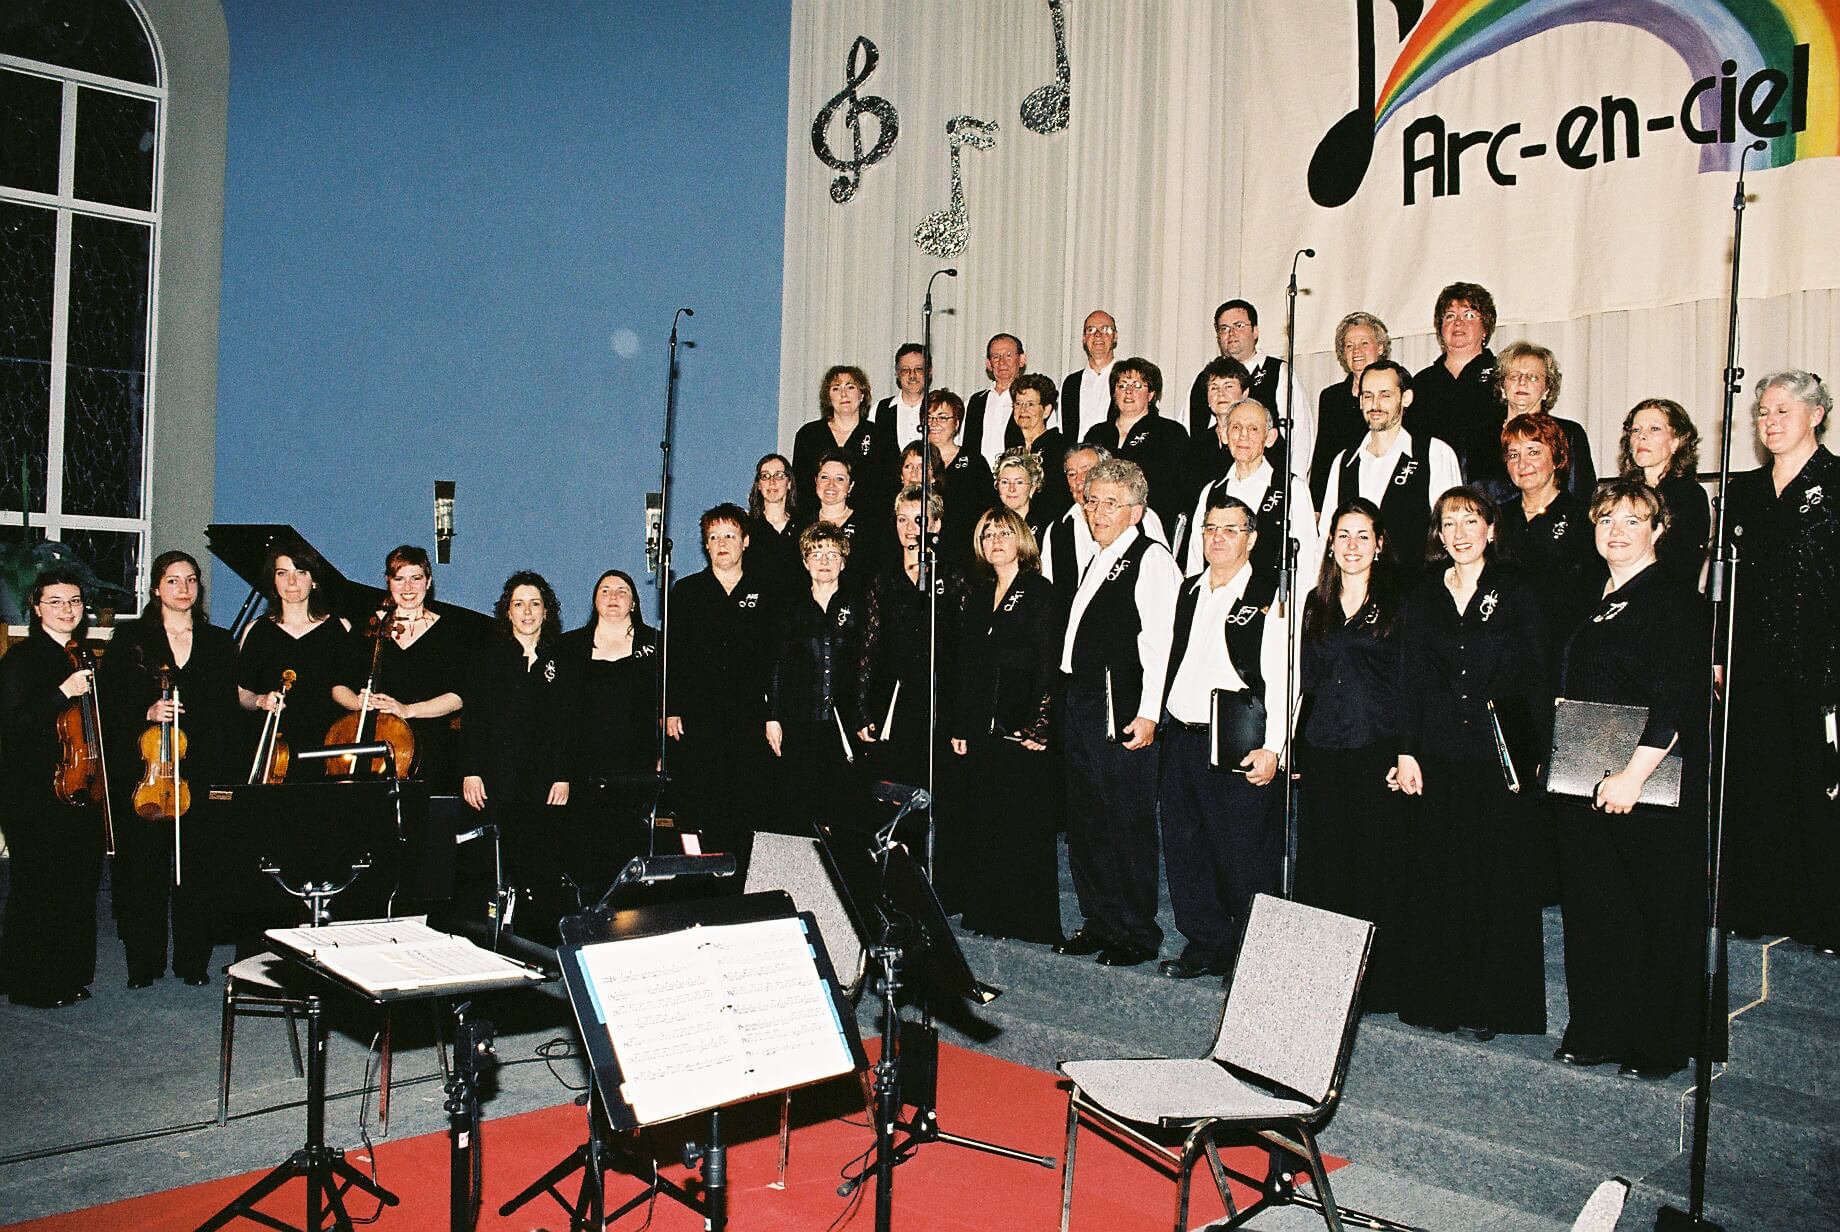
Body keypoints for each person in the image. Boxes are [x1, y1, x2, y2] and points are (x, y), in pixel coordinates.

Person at [1552, 478, 1709, 1079]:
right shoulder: (1592, 596)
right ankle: (1599, 1030)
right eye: (1606, 520)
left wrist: (1633, 777)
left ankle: (1656, 1043)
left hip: (1644, 785)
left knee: (1654, 915)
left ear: (1658, 530)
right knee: (1597, 914)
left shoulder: (1673, 600)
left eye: (1632, 520)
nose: (1616, 531)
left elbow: (1678, 701)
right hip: (1587, 781)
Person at [1392, 487, 1551, 1039]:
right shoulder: (1421, 595)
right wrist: (1406, 749)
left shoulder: (1517, 591)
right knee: (1438, 878)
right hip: (1437, 756)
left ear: (1491, 529)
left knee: (1494, 880)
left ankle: (1491, 1005)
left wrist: (1534, 756)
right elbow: (1409, 678)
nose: (1459, 533)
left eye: (1470, 521)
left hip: (1497, 756)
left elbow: (1538, 678)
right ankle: (1439, 997)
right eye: (1449, 523)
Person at [1722, 371, 1840, 950]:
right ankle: (1758, 904)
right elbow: (1725, 582)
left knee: (1818, 787)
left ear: (1816, 415)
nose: (1769, 422)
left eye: (1782, 411)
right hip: (1752, 662)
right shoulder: (1742, 490)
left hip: (1821, 662)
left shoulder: (1837, 483)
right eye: (1763, 412)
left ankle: (1826, 917)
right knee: (1756, 782)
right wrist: (1719, 651)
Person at [1156, 493, 1293, 979]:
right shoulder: (1190, 589)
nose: (1217, 538)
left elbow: (1284, 678)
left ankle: (1253, 957)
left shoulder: (1269, 596)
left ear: (1251, 539)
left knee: (1243, 853)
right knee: (1186, 848)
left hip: (1237, 738)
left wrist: (1275, 748)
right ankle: (1206, 942)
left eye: (1230, 529)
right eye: (1211, 528)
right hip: (1183, 736)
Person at [1053, 458, 1183, 968]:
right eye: (1093, 502)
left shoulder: (1151, 559)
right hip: (1083, 702)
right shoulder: (1098, 557)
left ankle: (1136, 932)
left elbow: (1160, 643)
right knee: (1087, 819)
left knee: (1126, 821)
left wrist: (1149, 713)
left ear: (1136, 511)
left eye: (1111, 503)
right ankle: (1099, 920)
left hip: (1121, 708)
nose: (1098, 512)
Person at [101, 551, 240, 989]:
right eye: (173, 580)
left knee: (198, 869)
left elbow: (227, 710)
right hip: (148, 769)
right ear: (156, 588)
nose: (183, 588)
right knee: (143, 868)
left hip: (201, 767)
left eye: (191, 579)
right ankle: (144, 963)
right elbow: (108, 701)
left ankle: (192, 961)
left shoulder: (219, 641)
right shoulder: (132, 639)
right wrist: (146, 711)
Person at [1296, 500, 1407, 1011]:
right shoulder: (1316, 602)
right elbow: (1309, 682)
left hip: (1375, 747)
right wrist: (1297, 747)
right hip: (1323, 747)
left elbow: (1411, 681)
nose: (1353, 545)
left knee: (1373, 865)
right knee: (1325, 862)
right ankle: (1325, 976)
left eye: (1363, 535)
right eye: (1343, 535)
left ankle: (1375, 982)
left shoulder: (1399, 600)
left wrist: (1406, 751)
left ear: (1380, 544)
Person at [949, 507, 1065, 944]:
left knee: (1023, 823)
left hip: (1022, 726)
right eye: (987, 534)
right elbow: (966, 665)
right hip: (981, 724)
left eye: (1003, 532)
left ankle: (1025, 921)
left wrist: (1040, 724)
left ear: (1021, 540)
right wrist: (961, 725)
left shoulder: (1038, 591)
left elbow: (1048, 661)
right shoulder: (978, 594)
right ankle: (987, 913)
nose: (995, 541)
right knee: (985, 821)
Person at [0, 570, 106, 1007]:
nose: (67, 610)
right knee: (39, 887)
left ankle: (69, 974)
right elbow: (14, 723)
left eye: (75, 601)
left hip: (80, 785)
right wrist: (63, 691)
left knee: (77, 885)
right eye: (56, 602)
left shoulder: (84, 656)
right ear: (37, 607)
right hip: (33, 791)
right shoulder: (21, 659)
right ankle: (31, 983)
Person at [665, 504, 779, 860]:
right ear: (706, 545)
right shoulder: (687, 592)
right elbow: (674, 655)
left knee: (747, 804)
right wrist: (672, 708)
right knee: (698, 804)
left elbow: (776, 657)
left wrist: (772, 714)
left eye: (730, 535)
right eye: (713, 537)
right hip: (700, 718)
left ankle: (741, 880)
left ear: (745, 541)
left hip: (749, 717)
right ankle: (700, 879)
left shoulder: (766, 590)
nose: (722, 544)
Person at [462, 571, 570, 911]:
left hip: (543, 782)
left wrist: (563, 776)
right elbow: (474, 720)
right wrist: (471, 771)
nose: (527, 612)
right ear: (507, 611)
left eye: (535, 604)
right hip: (495, 778)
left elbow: (568, 725)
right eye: (519, 604)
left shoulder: (563, 661)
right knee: (491, 865)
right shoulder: (485, 659)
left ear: (546, 612)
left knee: (539, 865)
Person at [330, 545, 466, 791]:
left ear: (428, 581)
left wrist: (407, 710)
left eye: (416, 578)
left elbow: (458, 697)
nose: (408, 588)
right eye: (399, 579)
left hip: (430, 747)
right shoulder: (368, 627)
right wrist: (358, 703)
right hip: (371, 743)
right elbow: (338, 685)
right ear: (388, 582)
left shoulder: (450, 632)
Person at [858, 487, 967, 789]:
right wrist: (862, 709)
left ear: (936, 524)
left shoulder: (953, 579)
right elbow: (869, 648)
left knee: (936, 788)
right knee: (894, 787)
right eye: (901, 519)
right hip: (894, 698)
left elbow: (964, 652)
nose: (909, 528)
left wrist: (962, 718)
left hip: (940, 700)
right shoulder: (883, 580)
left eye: (919, 520)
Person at [1316, 360, 1463, 576]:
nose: (1375, 404)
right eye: (1368, 395)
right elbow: (1326, 538)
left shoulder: (1435, 454)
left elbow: (1453, 530)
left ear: (1406, 398)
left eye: (1385, 395)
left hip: (1417, 588)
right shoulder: (1344, 462)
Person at [766, 523, 866, 834]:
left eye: (832, 554)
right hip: (801, 722)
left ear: (843, 562)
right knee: (799, 810)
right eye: (816, 553)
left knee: (845, 812)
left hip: (845, 725)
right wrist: (773, 718)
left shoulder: (859, 605)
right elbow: (777, 664)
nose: (824, 561)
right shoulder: (789, 607)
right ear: (805, 561)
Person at [235, 541, 351, 777]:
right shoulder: (256, 631)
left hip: (330, 746)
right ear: (273, 580)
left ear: (314, 580)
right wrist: (260, 700)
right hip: (273, 750)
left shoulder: (340, 629)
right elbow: (242, 694)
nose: (291, 582)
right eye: (282, 573)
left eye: (300, 572)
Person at [1179, 393, 1320, 583]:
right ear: (1224, 435)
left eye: (1253, 428)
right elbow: (1196, 559)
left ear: (1270, 437)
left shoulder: (1292, 489)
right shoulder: (1211, 492)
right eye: (1236, 427)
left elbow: (1309, 562)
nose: (1243, 435)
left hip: (1272, 599)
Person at [1186, 299, 1314, 482]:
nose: (1231, 333)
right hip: (1214, 483)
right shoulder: (1204, 379)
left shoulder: (1279, 372)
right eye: (1224, 328)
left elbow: (1300, 432)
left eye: (1238, 326)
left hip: (1268, 484)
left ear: (1255, 331)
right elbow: (1189, 433)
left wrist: (1293, 483)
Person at [1495, 412, 1598, 634]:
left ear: (1557, 458)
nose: (1522, 464)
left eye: (1533, 452)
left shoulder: (1583, 518)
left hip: (1562, 637)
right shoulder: (1498, 518)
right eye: (1513, 455)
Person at [1083, 356, 1190, 533]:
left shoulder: (1170, 432)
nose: (1128, 392)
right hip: (1101, 524)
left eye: (1137, 385)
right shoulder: (1096, 433)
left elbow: (1181, 490)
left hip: (1151, 524)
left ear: (1151, 394)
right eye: (1122, 386)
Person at [1041, 443, 1169, 590]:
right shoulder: (1056, 530)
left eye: (1087, 471)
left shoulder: (1142, 518)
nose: (1079, 480)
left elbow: (1160, 571)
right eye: (1072, 474)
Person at [1409, 281, 1500, 475]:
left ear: (1485, 328)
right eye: (1450, 316)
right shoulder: (1422, 383)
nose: (1458, 323)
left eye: (1469, 315)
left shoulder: (1504, 377)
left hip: (1492, 486)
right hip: (1435, 484)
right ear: (1440, 328)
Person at [1618, 398, 1709, 588]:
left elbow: (1680, 565)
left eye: (1654, 429)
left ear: (1676, 442)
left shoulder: (1689, 495)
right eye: (1636, 430)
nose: (1642, 437)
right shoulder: (1621, 494)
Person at [1489, 342, 1596, 500]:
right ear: (1502, 387)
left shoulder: (1569, 433)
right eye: (1514, 376)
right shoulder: (1481, 434)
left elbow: (1582, 496)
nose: (1522, 382)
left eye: (1533, 377)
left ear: (1547, 389)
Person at [792, 364, 898, 521]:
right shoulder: (809, 435)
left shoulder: (881, 436)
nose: (843, 394)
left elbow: (889, 488)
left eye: (850, 387)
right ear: (828, 397)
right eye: (836, 388)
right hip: (817, 523)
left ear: (862, 395)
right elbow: (800, 488)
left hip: (869, 524)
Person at [1311, 312, 1390, 508]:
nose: (1356, 351)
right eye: (1349, 345)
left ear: (1380, 347)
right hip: (1342, 489)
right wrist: (1316, 506)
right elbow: (1323, 455)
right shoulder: (1331, 397)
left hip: (1385, 486)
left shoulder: (1396, 390)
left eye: (1364, 343)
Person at [925, 389, 994, 569]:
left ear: (956, 423)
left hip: (965, 554)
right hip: (925, 552)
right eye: (929, 417)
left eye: (942, 417)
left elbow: (989, 509)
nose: (934, 423)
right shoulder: (915, 461)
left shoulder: (974, 461)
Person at [807, 450, 879, 584]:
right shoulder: (802, 525)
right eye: (824, 477)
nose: (831, 484)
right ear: (815, 481)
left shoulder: (868, 527)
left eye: (839, 479)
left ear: (850, 486)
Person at [1005, 373, 1068, 520]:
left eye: (1030, 404)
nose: (1023, 410)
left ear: (1046, 410)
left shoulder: (1060, 448)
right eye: (1018, 404)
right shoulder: (1011, 449)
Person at [963, 332, 1027, 467]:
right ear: (988, 364)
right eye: (996, 357)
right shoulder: (975, 402)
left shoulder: (1034, 400)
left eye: (1008, 355)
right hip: (979, 478)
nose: (1002, 362)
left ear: (1021, 360)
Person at [743, 452, 802, 597]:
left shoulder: (803, 526)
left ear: (789, 483)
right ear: (758, 485)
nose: (772, 482)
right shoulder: (746, 527)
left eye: (779, 475)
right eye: (765, 476)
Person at [1059, 310, 1117, 444]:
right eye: (1091, 330)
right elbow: (1064, 432)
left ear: (1115, 337)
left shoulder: (1126, 380)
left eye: (1105, 329)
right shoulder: (1071, 383)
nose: (1097, 334)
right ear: (1084, 338)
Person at [992, 446, 1053, 545]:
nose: (1011, 489)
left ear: (1033, 488)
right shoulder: (990, 526)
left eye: (1019, 482)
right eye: (1005, 482)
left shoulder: (1047, 527)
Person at [874, 343, 930, 447]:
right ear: (897, 373)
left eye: (919, 369)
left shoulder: (940, 411)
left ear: (929, 372)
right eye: (905, 370)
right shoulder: (880, 409)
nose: (912, 375)